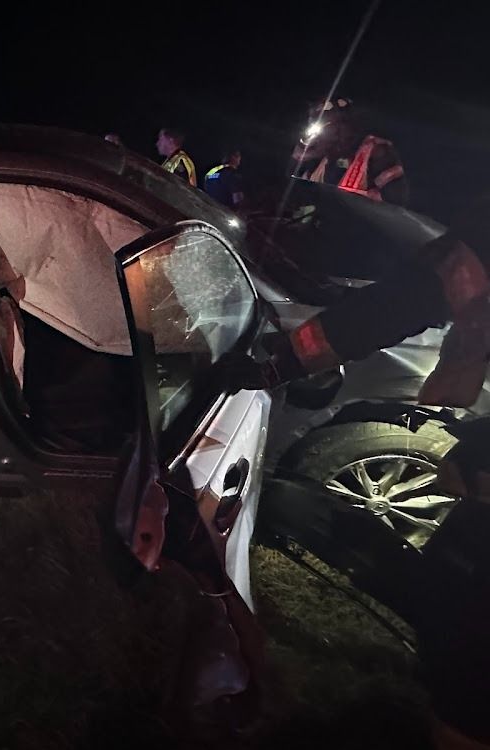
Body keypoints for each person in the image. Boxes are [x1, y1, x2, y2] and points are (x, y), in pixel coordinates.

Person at [227, 194, 490, 749]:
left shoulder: (468, 266)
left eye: (457, 261)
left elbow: (392, 306)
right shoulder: (462, 264)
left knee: (468, 661)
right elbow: (389, 308)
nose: (445, 267)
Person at [292, 96, 408, 205]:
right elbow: (292, 188)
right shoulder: (319, 156)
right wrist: (304, 145)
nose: (322, 133)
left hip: (354, 225)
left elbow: (394, 204)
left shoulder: (377, 151)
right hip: (315, 225)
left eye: (327, 125)